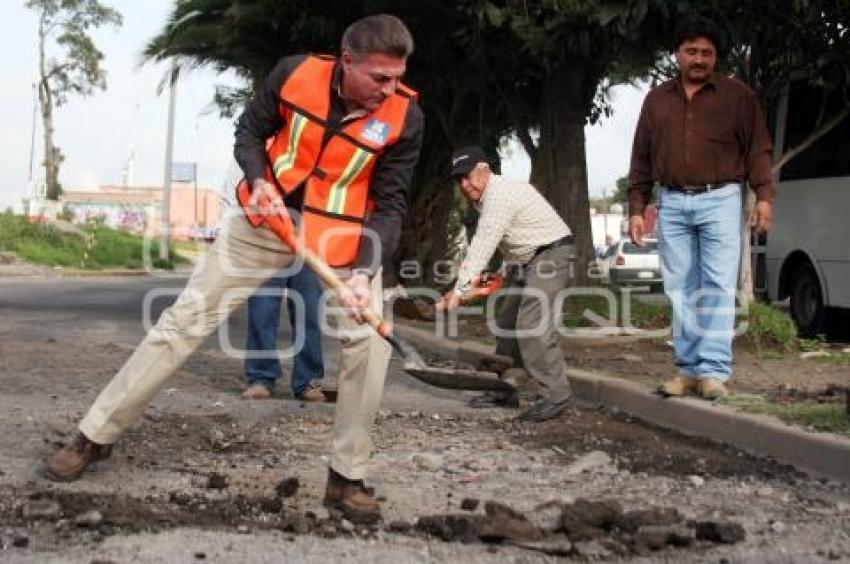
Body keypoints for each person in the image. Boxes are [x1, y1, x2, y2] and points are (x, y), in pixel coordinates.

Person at [44, 14, 424, 524]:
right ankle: (95, 436)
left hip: (340, 237)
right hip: (265, 221)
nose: (390, 89)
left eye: (397, 77)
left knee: (371, 342)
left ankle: (346, 477)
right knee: (183, 322)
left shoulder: (405, 117)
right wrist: (257, 176)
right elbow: (250, 130)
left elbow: (390, 203)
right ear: (347, 59)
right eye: (380, 77)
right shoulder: (294, 73)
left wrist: (362, 272)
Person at [627, 15, 774, 400]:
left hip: (722, 199)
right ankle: (688, 371)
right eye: (691, 51)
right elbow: (641, 155)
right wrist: (636, 207)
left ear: (716, 57)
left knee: (717, 286)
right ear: (677, 54)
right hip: (672, 201)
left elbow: (759, 149)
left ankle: (713, 372)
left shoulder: (737, 97)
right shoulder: (657, 100)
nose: (698, 58)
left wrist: (764, 197)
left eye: (706, 52)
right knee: (680, 288)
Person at [437, 146, 575, 422]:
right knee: (506, 321)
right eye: (459, 180)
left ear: (485, 169)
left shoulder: (498, 196)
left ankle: (557, 396)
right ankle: (507, 388)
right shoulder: (485, 199)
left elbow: (482, 245)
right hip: (528, 260)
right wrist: (494, 276)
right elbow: (511, 239)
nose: (465, 185)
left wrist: (458, 292)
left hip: (551, 254)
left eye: (469, 176)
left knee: (531, 323)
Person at [241, 266, 327, 402]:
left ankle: (308, 381)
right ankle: (261, 378)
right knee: (262, 312)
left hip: (307, 251)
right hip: (269, 251)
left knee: (309, 313)